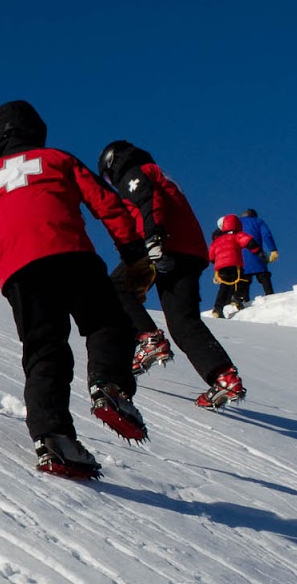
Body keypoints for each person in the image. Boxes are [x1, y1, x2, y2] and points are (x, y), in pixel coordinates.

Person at [0, 101, 152, 480]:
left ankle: (54, 440)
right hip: (71, 254)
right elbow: (107, 203)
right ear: (37, 130)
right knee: (106, 321)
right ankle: (109, 385)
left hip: (20, 272)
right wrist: (133, 255)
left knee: (44, 348)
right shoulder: (58, 160)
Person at [98, 141, 247, 410]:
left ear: (113, 162)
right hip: (190, 251)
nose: (111, 182)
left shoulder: (135, 171)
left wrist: (152, 239)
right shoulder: (159, 172)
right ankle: (224, 376)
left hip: (162, 244)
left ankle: (150, 339)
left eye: (108, 176)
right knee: (182, 321)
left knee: (117, 288)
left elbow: (147, 200)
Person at [208, 215, 262, 319]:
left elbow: (211, 256)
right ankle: (236, 297)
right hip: (234, 263)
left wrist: (216, 262)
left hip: (220, 267)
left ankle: (218, 308)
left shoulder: (217, 240)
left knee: (224, 286)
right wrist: (258, 252)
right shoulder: (237, 235)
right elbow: (249, 242)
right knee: (242, 280)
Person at [238, 208, 278, 296]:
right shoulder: (258, 221)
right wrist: (273, 249)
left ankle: (243, 301)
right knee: (263, 276)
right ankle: (270, 295)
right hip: (257, 252)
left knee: (243, 280)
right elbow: (266, 235)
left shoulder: (237, 223)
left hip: (240, 256)